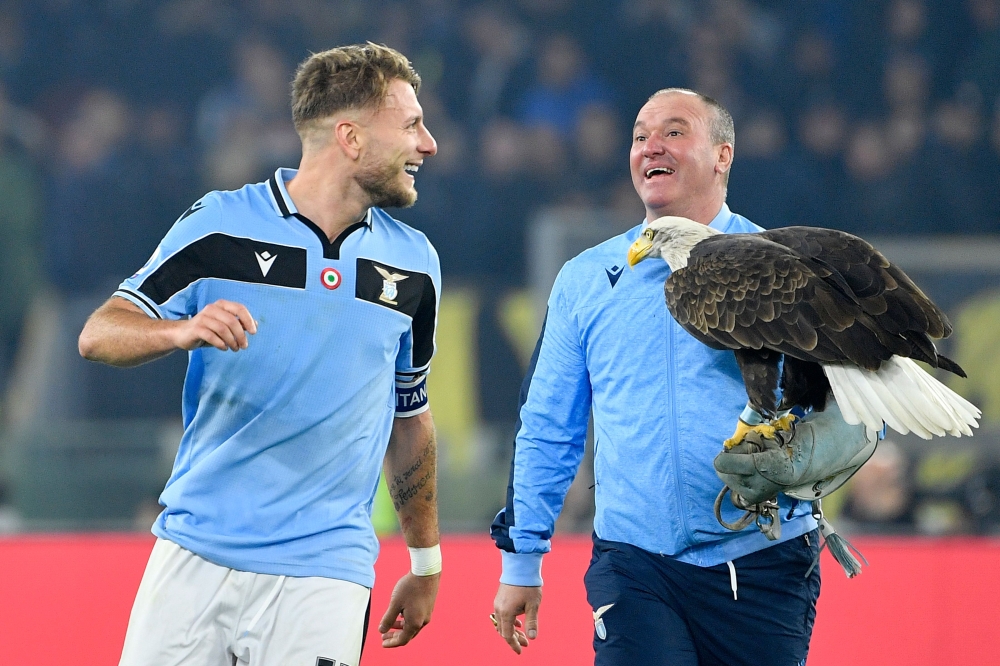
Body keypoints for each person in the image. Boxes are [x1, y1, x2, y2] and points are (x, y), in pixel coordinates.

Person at [78, 43, 442, 666]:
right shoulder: (219, 224)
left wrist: (426, 561)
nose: (428, 144)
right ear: (351, 138)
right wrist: (179, 331)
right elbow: (99, 334)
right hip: (195, 555)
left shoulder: (414, 266)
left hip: (325, 575)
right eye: (410, 125)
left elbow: (408, 417)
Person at [490, 88, 835, 665]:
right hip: (635, 564)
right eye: (640, 135)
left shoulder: (782, 267)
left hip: (764, 559)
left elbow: (837, 406)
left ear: (723, 155)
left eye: (674, 131)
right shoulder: (585, 279)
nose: (651, 146)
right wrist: (522, 560)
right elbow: (548, 426)